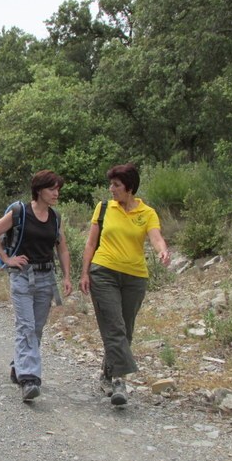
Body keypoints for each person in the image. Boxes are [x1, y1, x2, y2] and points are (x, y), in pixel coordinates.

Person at [79, 163, 171, 406]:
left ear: (129, 187)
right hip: (104, 273)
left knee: (125, 329)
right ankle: (120, 381)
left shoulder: (147, 213)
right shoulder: (103, 208)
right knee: (115, 326)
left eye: (116, 185)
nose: (111, 189)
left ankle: (107, 374)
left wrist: (163, 251)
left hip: (135, 278)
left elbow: (156, 237)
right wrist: (84, 273)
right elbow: (90, 243)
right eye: (111, 184)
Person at [0, 170, 73, 402]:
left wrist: (66, 277)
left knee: (37, 328)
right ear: (39, 190)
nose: (56, 193)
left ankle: (19, 366)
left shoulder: (55, 217)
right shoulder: (19, 212)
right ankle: (30, 379)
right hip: (22, 275)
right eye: (52, 189)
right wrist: (7, 259)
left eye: (58, 189)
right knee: (26, 325)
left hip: (46, 278)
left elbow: (61, 248)